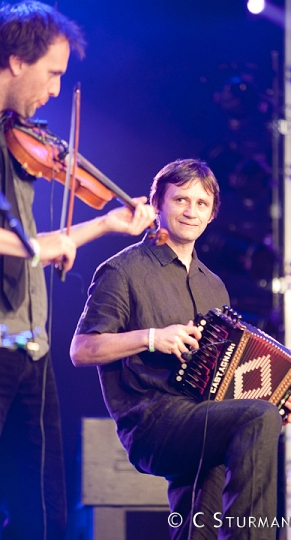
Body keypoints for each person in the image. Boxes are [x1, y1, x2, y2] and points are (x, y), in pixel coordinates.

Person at [70, 158, 291, 540]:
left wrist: (277, 401)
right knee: (254, 418)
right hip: (153, 422)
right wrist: (151, 337)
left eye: (201, 204)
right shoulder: (122, 270)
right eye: (181, 200)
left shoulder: (213, 285)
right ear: (158, 204)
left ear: (212, 214)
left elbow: (226, 377)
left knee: (200, 526)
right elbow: (81, 349)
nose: (190, 211)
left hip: (204, 417)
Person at [0, 2, 155, 539]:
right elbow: (25, 246)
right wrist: (51, 244)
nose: (57, 91)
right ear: (17, 60)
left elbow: (32, 243)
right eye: (53, 74)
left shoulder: (15, 140)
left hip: (29, 347)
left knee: (40, 514)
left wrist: (105, 223)